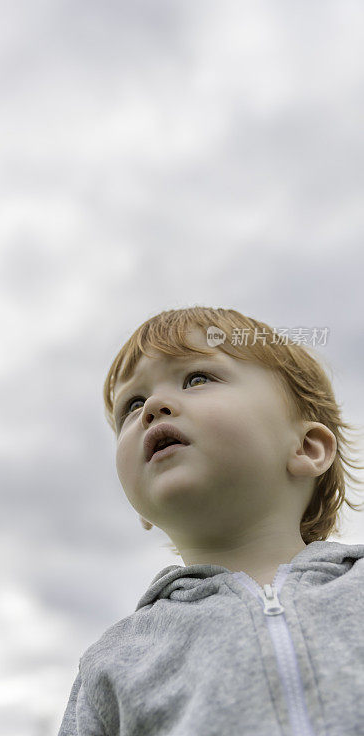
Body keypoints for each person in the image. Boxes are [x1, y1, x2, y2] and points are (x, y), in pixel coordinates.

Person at [57, 306, 364, 736]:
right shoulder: (116, 658)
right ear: (140, 509)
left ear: (307, 448)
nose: (154, 407)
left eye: (197, 378)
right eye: (133, 404)